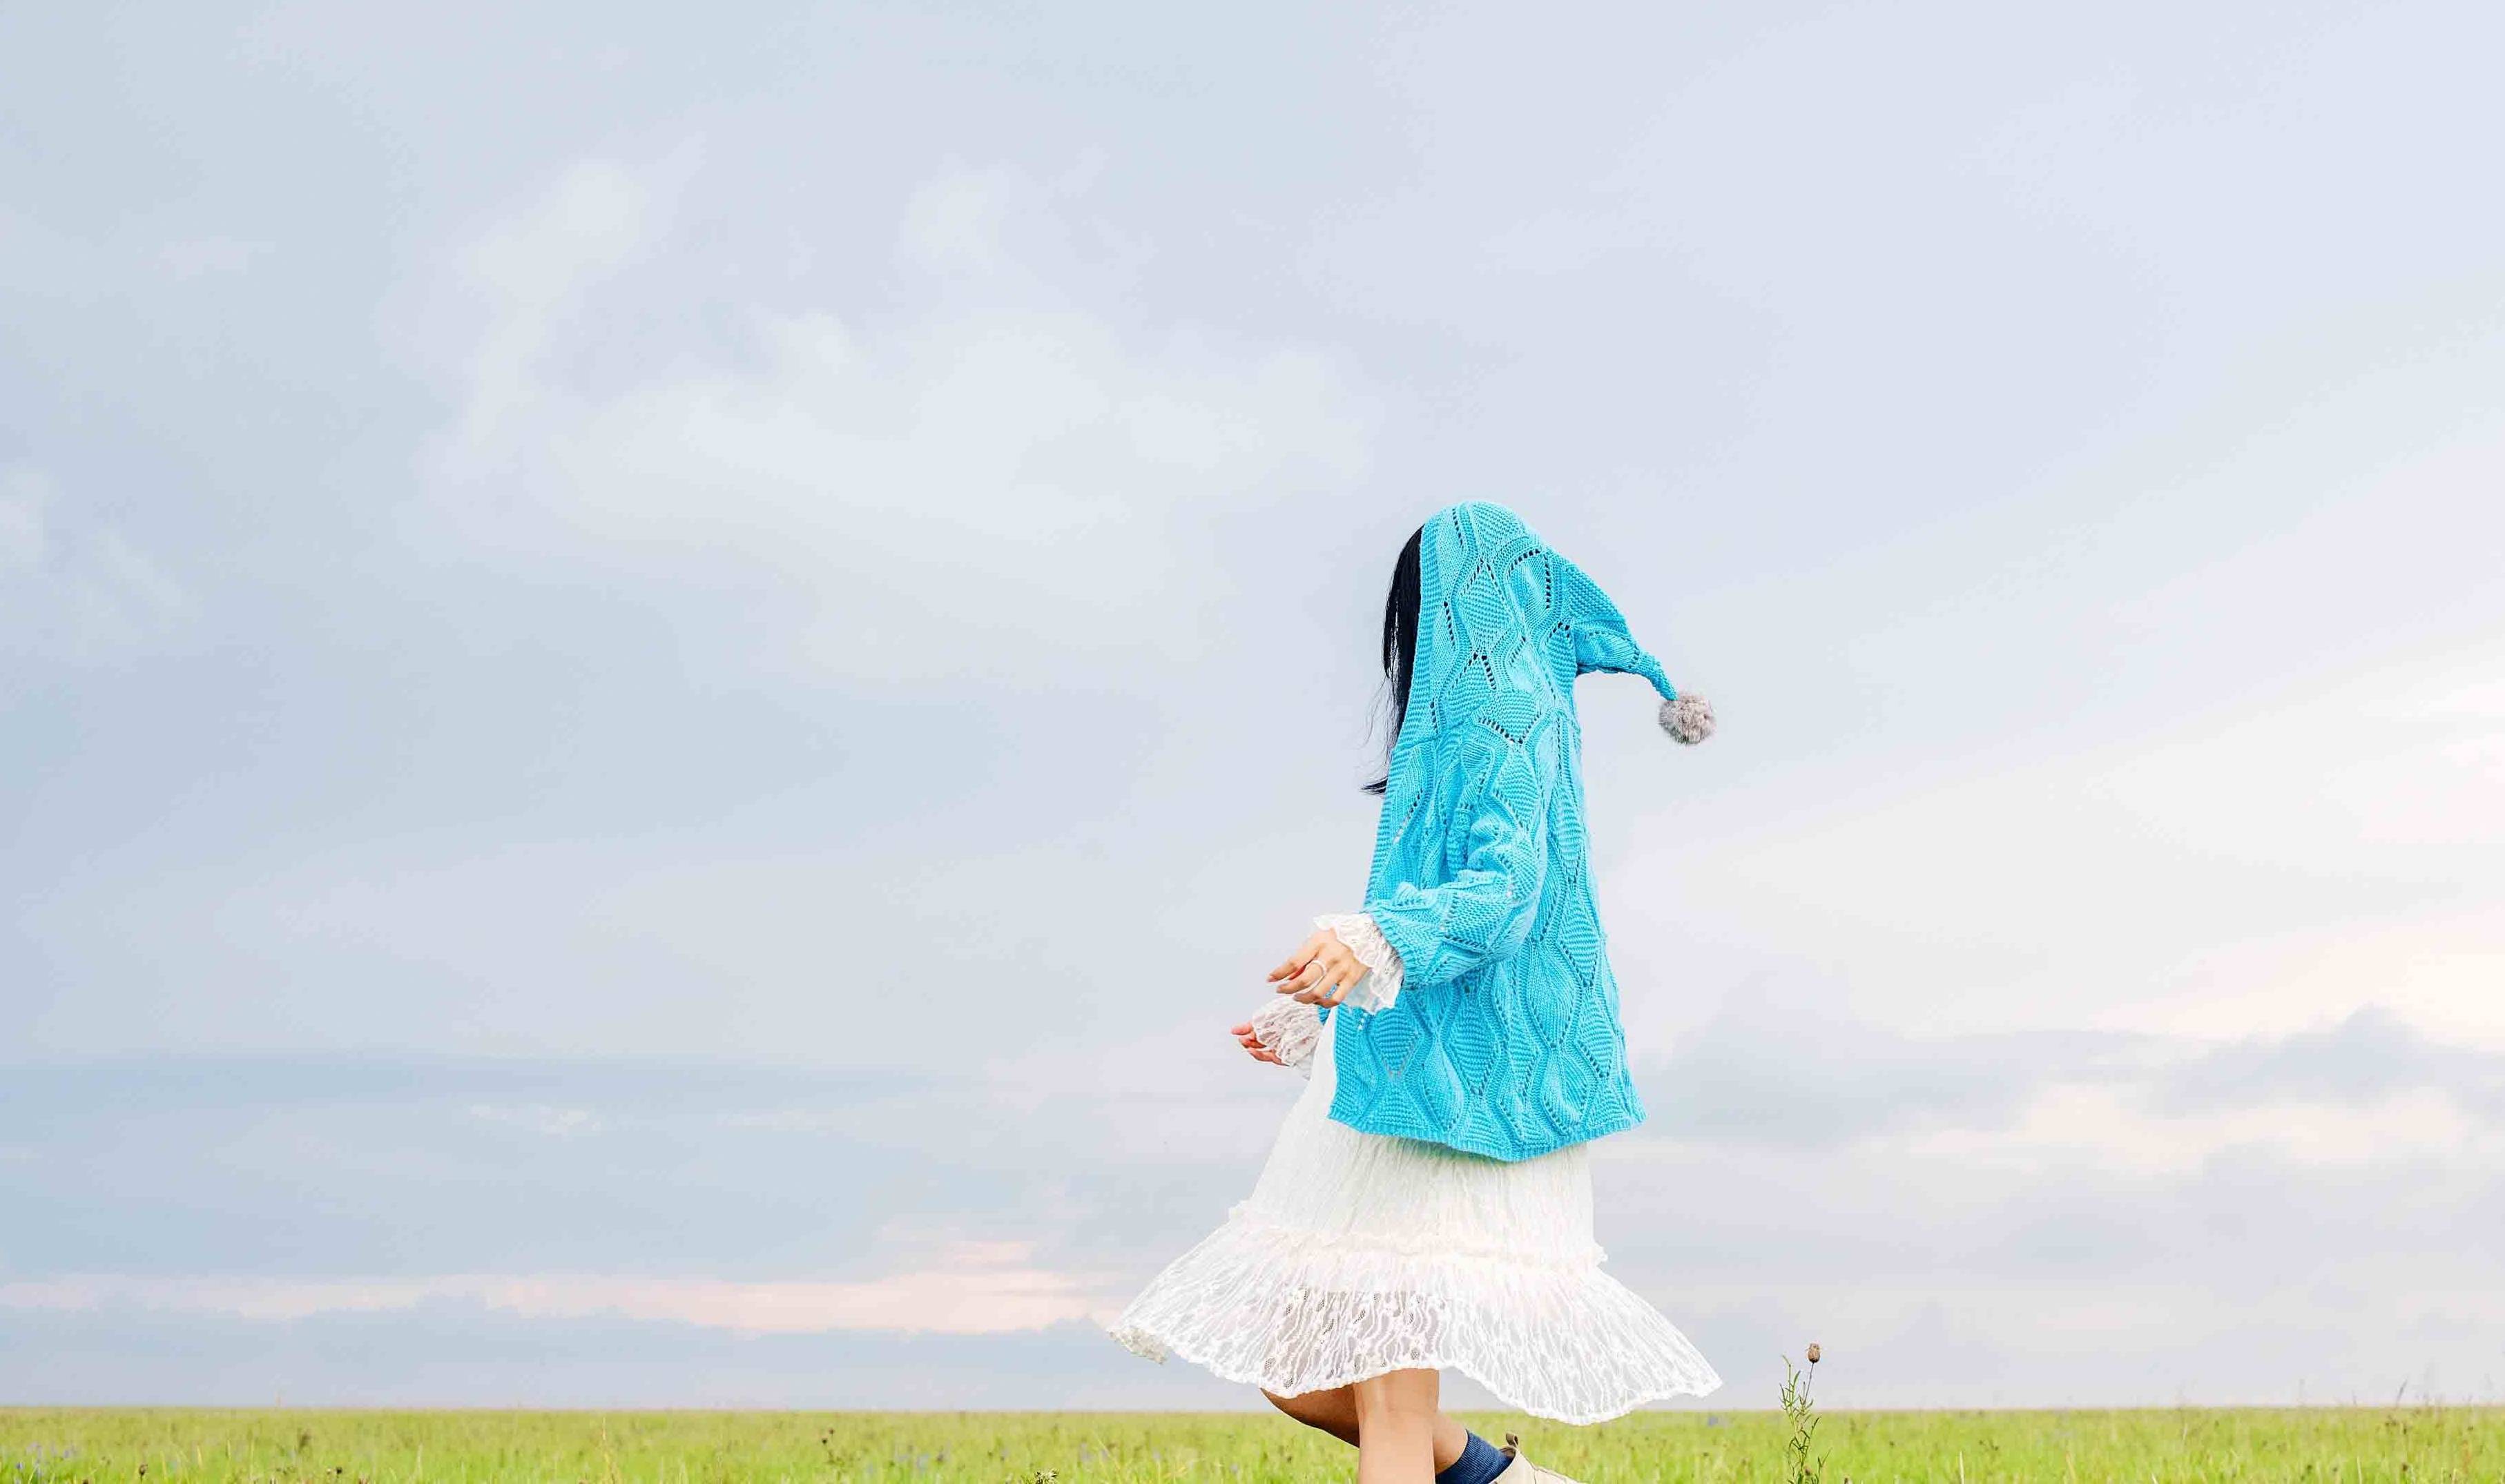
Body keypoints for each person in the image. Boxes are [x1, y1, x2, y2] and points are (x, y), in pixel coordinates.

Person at [1110, 501, 1722, 1484]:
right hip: (1410, 1072)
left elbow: (1506, 894)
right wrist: (1322, 1001)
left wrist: (1376, 937)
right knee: (1293, 1367)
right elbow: (1437, 892)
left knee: (1389, 1408)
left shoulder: (1504, 711)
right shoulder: (1479, 721)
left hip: (1451, 1100)